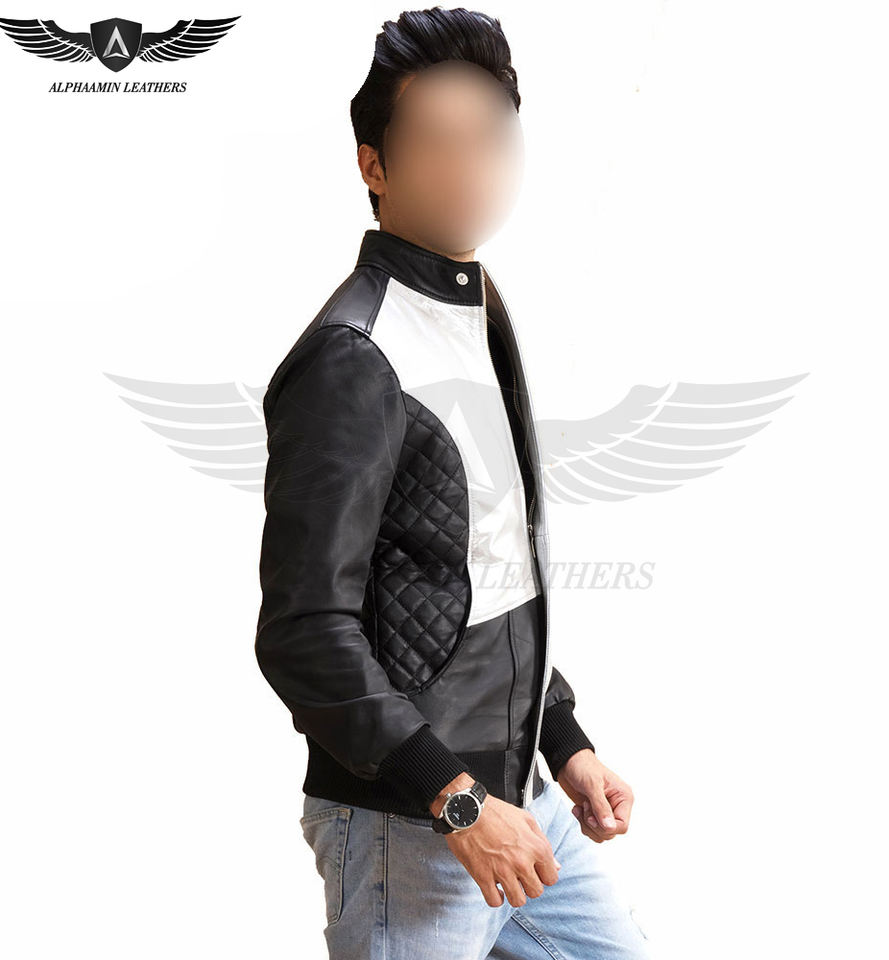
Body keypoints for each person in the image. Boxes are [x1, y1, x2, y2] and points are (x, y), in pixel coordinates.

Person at [255, 7, 652, 958]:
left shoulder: (476, 308)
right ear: (374, 165)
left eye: (488, 138)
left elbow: (484, 568)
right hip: (412, 824)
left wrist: (563, 739)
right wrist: (457, 798)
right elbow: (302, 634)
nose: (470, 165)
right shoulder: (353, 354)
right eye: (438, 141)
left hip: (519, 800)